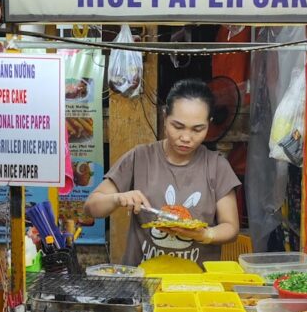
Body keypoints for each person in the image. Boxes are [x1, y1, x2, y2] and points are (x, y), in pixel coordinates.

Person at [82, 79, 240, 265]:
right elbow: (91, 207)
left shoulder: (217, 166)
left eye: (198, 129)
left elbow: (231, 227)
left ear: (209, 123)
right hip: (142, 280)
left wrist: (205, 234)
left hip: (195, 284)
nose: (186, 138)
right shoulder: (140, 157)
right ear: (165, 117)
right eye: (178, 126)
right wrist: (117, 198)